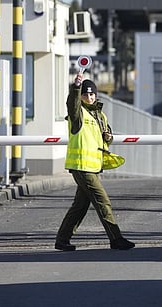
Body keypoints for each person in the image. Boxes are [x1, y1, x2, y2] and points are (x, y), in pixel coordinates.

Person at [55, 73, 135, 251]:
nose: (89, 97)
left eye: (91, 94)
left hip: (92, 166)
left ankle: (62, 240)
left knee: (80, 206)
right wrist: (76, 87)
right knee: (102, 201)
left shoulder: (100, 115)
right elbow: (72, 104)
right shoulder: (78, 114)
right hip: (81, 165)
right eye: (85, 94)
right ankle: (116, 238)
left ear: (96, 95)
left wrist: (109, 137)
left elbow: (104, 137)